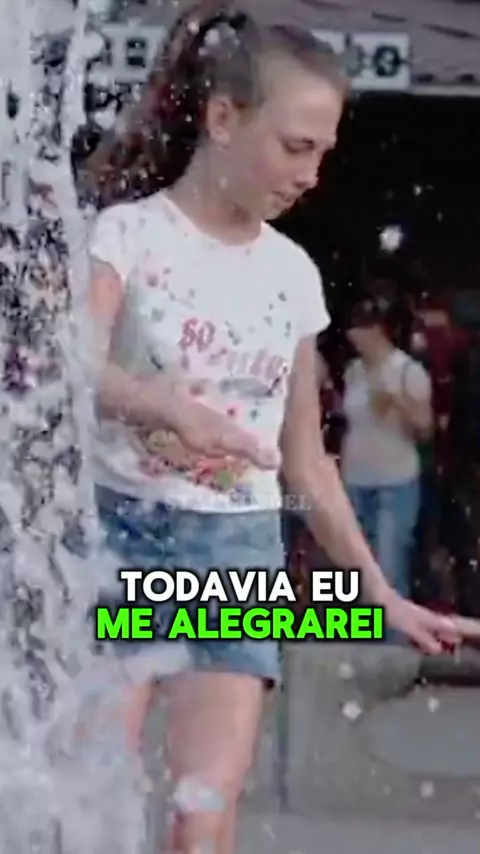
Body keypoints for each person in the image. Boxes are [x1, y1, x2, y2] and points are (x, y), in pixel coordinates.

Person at [84, 7, 477, 854]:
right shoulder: (131, 237)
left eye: (324, 153)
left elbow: (306, 460)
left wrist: (380, 594)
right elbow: (69, 367)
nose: (312, 175)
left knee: (201, 819)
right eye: (296, 147)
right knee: (90, 802)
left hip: (235, 550)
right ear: (224, 119)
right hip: (123, 535)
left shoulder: (291, 274)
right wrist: (158, 404)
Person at [341, 294, 432, 601]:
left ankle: (393, 631)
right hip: (355, 480)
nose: (352, 335)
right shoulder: (353, 370)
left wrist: (398, 403)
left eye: (358, 328)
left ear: (378, 330)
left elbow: (425, 429)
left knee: (389, 568)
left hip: (395, 481)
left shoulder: (408, 370)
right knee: (359, 569)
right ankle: (364, 626)